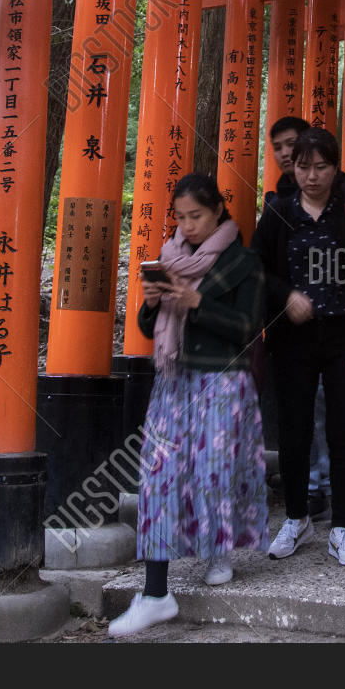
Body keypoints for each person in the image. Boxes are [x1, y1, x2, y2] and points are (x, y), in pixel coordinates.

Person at [108, 173, 267, 637]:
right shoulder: (170, 257)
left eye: (195, 215)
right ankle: (155, 592)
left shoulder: (244, 262)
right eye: (180, 217)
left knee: (213, 471)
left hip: (224, 381)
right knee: (158, 475)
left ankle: (217, 551)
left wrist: (197, 301)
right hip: (174, 381)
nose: (187, 225)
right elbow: (148, 329)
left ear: (217, 210)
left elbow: (248, 328)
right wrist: (152, 302)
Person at [251, 126, 345, 566]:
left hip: (343, 337)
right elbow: (255, 268)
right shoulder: (278, 213)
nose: (312, 176)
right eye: (304, 167)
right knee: (294, 431)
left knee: (343, 430)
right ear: (293, 168)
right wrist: (285, 295)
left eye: (321, 167)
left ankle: (342, 527)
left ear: (335, 167)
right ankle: (296, 517)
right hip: (292, 339)